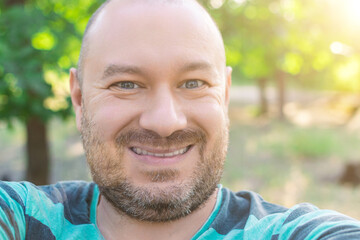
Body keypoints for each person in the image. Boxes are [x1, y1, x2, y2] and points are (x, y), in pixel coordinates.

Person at [1, 0, 360, 239]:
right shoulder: (23, 219)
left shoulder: (290, 233)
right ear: (79, 99)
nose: (165, 121)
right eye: (126, 84)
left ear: (224, 95)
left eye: (194, 83)